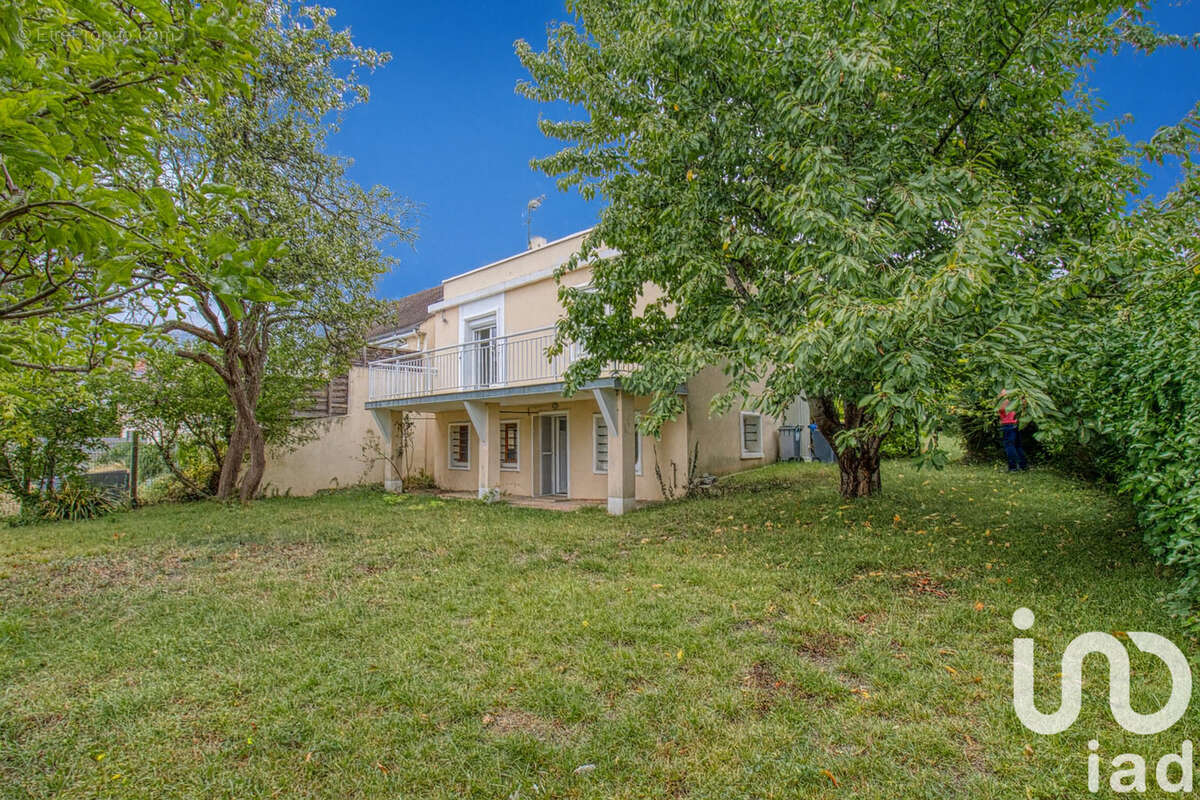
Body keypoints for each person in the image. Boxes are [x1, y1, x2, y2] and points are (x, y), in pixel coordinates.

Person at [998, 390, 1029, 472]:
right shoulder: (1016, 394)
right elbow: (1024, 406)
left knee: (1009, 446)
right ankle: (1023, 466)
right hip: (1016, 423)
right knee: (1017, 446)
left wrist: (999, 401)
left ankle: (1013, 468)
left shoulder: (1005, 394)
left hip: (1008, 424)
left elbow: (1002, 409)